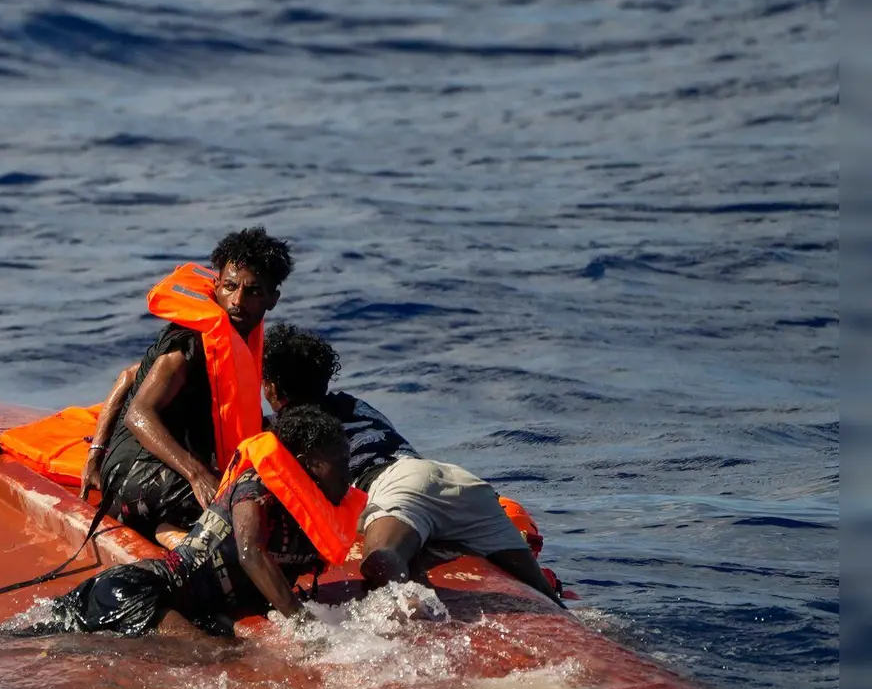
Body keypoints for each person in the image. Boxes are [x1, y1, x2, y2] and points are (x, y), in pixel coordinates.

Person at [260, 324, 565, 609]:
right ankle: (567, 615)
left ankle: (416, 619)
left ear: (271, 388)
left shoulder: (286, 430)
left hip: (396, 484)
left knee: (380, 560)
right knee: (541, 589)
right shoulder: (353, 404)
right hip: (457, 480)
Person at [36, 405, 353, 637]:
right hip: (142, 593)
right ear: (303, 465)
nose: (347, 474)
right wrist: (304, 626)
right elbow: (250, 553)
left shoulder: (305, 514)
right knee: (214, 659)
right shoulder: (255, 489)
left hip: (187, 610)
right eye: (339, 464)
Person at [85, 227, 294, 544]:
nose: (237, 301)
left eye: (252, 292)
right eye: (230, 287)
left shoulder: (234, 342)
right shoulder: (190, 344)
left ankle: (168, 531)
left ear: (272, 299)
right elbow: (138, 412)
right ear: (216, 285)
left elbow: (130, 375)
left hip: (163, 472)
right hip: (134, 473)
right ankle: (179, 546)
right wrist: (96, 455)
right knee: (246, 512)